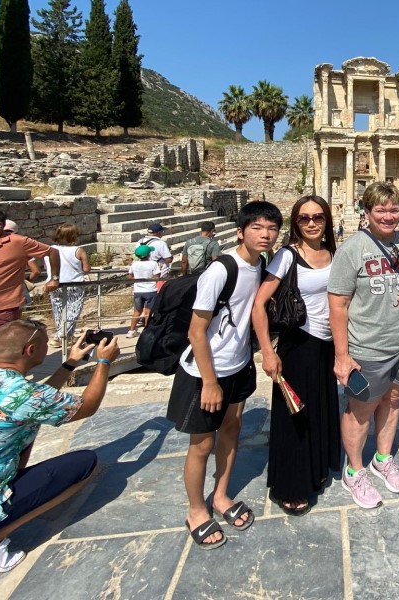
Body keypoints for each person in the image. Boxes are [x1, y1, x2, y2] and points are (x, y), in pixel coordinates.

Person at [166, 201, 282, 549]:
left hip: (239, 364)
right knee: (201, 444)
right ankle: (196, 510)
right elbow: (196, 331)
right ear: (240, 231)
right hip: (205, 370)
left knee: (231, 430)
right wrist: (210, 381)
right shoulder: (220, 269)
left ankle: (220, 495)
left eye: (271, 228)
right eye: (257, 228)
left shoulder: (260, 264)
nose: (265, 234)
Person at [0, 320, 120, 572]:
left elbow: (33, 401)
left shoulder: (16, 388)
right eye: (45, 343)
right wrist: (104, 362)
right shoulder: (25, 395)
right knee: (87, 464)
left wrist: (69, 364)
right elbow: (87, 406)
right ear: (30, 350)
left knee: (28, 426)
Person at [328, 181, 399, 509]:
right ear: (366, 213)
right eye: (380, 209)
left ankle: (382, 458)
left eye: (393, 209)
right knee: (360, 410)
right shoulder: (351, 249)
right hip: (369, 347)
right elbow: (337, 304)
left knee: (393, 401)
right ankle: (354, 471)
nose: (388, 215)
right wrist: (342, 355)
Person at [252, 196, 340, 516]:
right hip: (298, 344)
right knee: (296, 418)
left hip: (326, 345)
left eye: (318, 216)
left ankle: (315, 470)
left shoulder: (333, 253)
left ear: (327, 220)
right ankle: (291, 485)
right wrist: (267, 352)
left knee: (318, 410)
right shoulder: (287, 257)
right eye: (304, 219)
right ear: (295, 223)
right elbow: (258, 304)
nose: (312, 223)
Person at [0, 210, 60, 329]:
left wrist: (54, 278)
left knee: (2, 344)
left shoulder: (19, 242)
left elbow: (52, 252)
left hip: (4, 308)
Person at [46, 224, 90, 348]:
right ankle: (59, 336)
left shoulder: (50, 249)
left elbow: (46, 267)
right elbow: (86, 269)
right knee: (73, 311)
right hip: (74, 284)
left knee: (58, 311)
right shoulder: (78, 250)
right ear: (73, 236)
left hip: (55, 284)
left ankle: (66, 336)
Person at [127, 245, 160, 338]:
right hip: (150, 290)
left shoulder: (134, 264)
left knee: (137, 311)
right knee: (148, 312)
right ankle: (147, 332)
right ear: (148, 254)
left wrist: (138, 279)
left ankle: (131, 330)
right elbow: (157, 277)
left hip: (138, 291)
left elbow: (129, 276)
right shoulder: (153, 263)